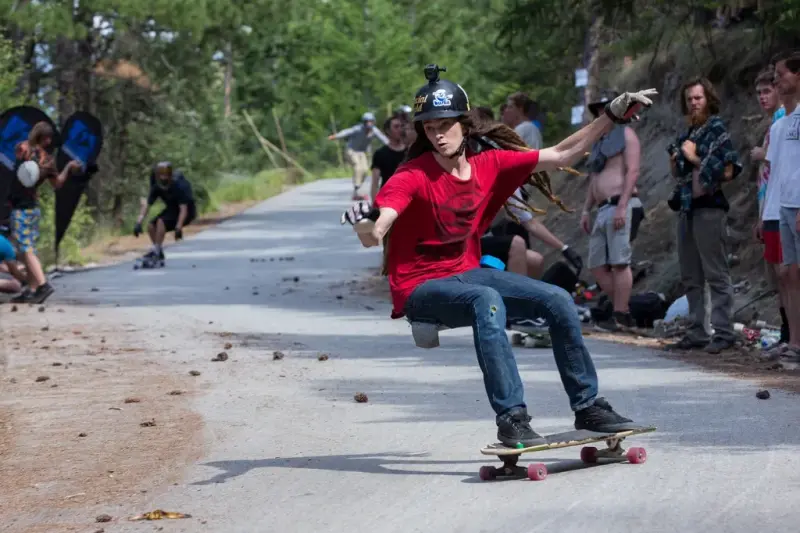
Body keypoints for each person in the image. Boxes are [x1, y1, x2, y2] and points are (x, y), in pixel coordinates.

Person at [341, 64, 655, 446]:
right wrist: (365, 221)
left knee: (557, 299)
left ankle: (588, 407)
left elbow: (560, 154)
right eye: (429, 128)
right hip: (419, 288)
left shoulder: (489, 165)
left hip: (466, 274)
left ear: (464, 124)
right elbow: (376, 230)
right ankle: (513, 418)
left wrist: (610, 117)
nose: (438, 135)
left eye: (445, 125)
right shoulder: (411, 176)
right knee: (486, 300)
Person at [666, 77, 741, 354]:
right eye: (689, 99)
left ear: (708, 98)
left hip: (710, 207)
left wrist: (696, 158)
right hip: (687, 207)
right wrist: (677, 162)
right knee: (691, 274)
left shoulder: (716, 128)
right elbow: (680, 173)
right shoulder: (687, 133)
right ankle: (698, 330)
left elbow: (730, 170)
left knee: (716, 272)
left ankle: (723, 332)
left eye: (698, 98)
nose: (694, 103)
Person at [579, 92, 644, 330]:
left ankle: (620, 314)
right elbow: (593, 179)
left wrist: (623, 206)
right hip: (602, 208)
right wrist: (586, 210)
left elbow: (633, 171)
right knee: (597, 265)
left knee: (619, 262)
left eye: (607, 108)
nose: (602, 113)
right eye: (599, 109)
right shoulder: (599, 144)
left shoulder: (627, 135)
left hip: (621, 205)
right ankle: (624, 308)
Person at [7, 122, 81, 303]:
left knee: (25, 248)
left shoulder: (23, 148)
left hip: (21, 208)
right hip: (33, 208)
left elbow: (19, 165)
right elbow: (58, 185)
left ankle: (42, 284)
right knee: (26, 249)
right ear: (46, 138)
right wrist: (69, 167)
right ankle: (32, 289)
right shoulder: (48, 160)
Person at [751, 66, 791, 347]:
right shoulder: (773, 122)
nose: (762, 97)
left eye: (767, 91)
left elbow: (779, 162)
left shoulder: (784, 118)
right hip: (769, 207)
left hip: (780, 206)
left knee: (785, 275)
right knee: (778, 276)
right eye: (758, 93)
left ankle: (791, 334)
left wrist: (761, 153)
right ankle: (788, 331)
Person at [764, 52, 800, 361]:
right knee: (789, 274)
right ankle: (795, 343)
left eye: (782, 73)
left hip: (798, 205)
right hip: (784, 205)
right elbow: (777, 171)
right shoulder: (784, 121)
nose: (777, 79)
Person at [133, 161, 196, 262]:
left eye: (166, 175)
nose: (164, 178)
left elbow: (184, 209)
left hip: (187, 211)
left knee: (161, 222)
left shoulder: (178, 186)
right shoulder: (157, 187)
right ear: (157, 175)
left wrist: (178, 227)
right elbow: (147, 205)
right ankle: (158, 251)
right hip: (172, 209)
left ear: (170, 175)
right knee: (151, 226)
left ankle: (156, 252)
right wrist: (138, 222)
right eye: (161, 175)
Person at [328, 112, 389, 200]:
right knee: (358, 167)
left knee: (364, 170)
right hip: (351, 150)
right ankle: (357, 188)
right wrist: (335, 136)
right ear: (363, 122)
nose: (369, 124)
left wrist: (392, 145)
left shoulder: (374, 131)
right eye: (366, 122)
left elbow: (383, 139)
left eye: (370, 122)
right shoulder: (358, 129)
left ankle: (358, 188)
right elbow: (346, 132)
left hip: (362, 152)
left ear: (373, 122)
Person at [370, 116, 408, 201]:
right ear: (388, 131)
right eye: (396, 127)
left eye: (402, 126)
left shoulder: (410, 151)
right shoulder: (380, 154)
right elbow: (375, 183)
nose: (400, 129)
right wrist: (374, 206)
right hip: (388, 197)